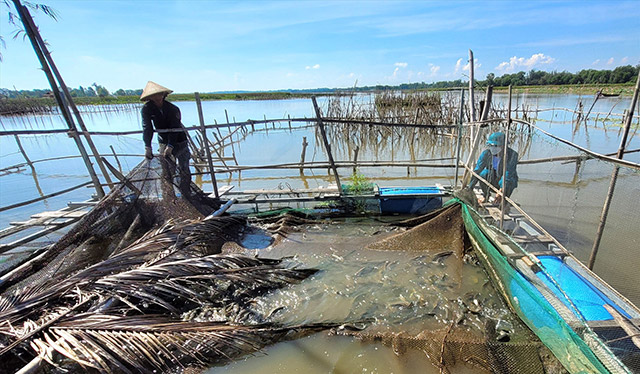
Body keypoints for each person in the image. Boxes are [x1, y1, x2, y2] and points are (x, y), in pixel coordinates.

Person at [140, 81, 191, 197]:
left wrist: (171, 146)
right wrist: (147, 146)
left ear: (164, 95)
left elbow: (175, 127)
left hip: (179, 140)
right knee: (167, 171)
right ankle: (169, 196)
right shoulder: (147, 109)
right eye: (154, 95)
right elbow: (147, 127)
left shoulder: (173, 108)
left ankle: (186, 195)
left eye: (159, 94)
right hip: (163, 141)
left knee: (184, 168)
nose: (157, 97)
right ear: (150, 97)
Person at [467, 131, 518, 204]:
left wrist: (501, 191)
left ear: (504, 146)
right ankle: (486, 196)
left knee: (510, 181)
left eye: (496, 146)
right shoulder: (486, 154)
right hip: (493, 179)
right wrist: (470, 188)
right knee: (483, 174)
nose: (493, 148)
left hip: (506, 182)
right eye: (491, 145)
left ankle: (504, 202)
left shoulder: (512, 155)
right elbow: (477, 170)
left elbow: (508, 174)